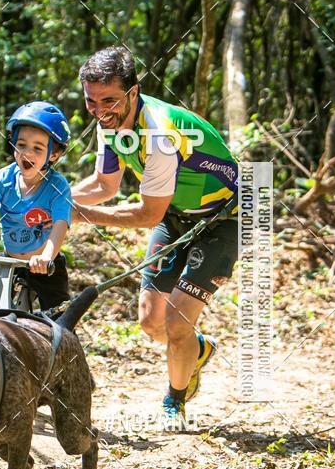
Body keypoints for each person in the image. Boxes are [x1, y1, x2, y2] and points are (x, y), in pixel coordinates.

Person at [72, 47, 239, 427]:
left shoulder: (160, 133)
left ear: (133, 93)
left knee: (177, 323)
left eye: (110, 100)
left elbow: (149, 214)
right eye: (91, 101)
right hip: (178, 216)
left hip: (224, 219)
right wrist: (52, 199)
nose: (100, 111)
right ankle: (196, 349)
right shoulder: (109, 124)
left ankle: (175, 401)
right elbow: (103, 185)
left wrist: (80, 215)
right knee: (151, 322)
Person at [0, 100, 73, 310]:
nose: (27, 153)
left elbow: (60, 224)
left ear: (53, 154)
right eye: (21, 145)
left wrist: (46, 257)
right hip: (10, 261)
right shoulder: (4, 178)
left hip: (46, 265)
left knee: (60, 319)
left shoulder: (57, 185)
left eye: (38, 148)